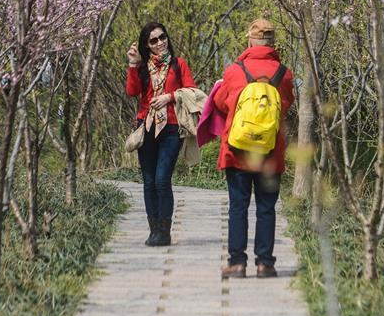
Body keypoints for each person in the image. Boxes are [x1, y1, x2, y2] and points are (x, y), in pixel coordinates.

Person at [213, 18, 294, 279]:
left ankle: (237, 263)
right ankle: (265, 264)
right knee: (266, 207)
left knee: (238, 206)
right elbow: (286, 105)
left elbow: (223, 104)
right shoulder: (284, 73)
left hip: (237, 149)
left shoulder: (235, 71)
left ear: (250, 40)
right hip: (270, 151)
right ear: (272, 43)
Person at [126, 22, 196, 247]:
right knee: (148, 181)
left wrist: (169, 97)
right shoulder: (143, 67)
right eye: (153, 40)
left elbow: (192, 91)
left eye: (162, 37)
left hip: (172, 128)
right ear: (147, 45)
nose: (160, 43)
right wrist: (133, 65)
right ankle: (154, 229)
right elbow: (132, 91)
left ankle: (165, 230)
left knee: (162, 179)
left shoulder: (179, 64)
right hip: (145, 126)